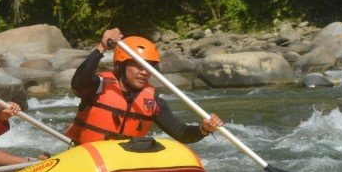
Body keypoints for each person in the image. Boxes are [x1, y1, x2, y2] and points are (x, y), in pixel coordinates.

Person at [66, 28, 224, 145]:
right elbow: (78, 85)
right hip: (89, 159)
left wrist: (203, 129)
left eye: (148, 67)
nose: (144, 72)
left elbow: (181, 133)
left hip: (121, 165)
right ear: (120, 66)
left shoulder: (153, 103)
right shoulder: (98, 86)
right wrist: (102, 47)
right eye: (137, 66)